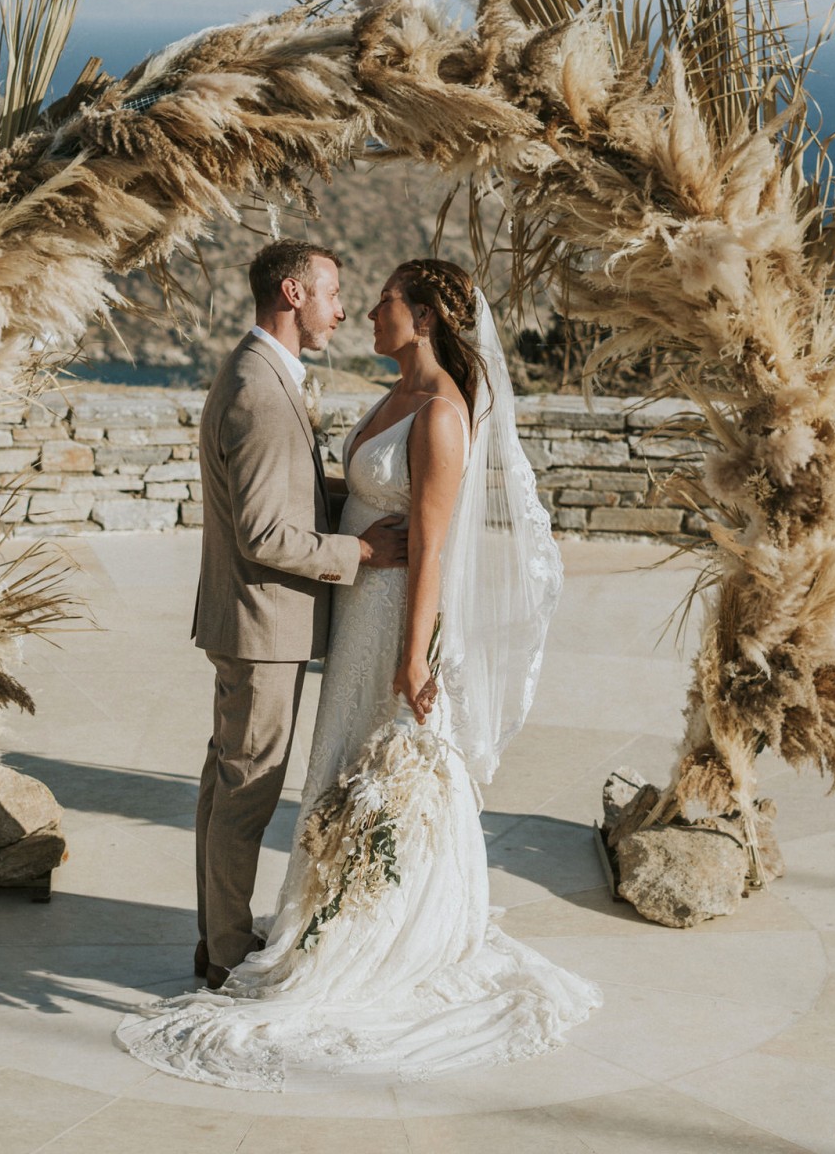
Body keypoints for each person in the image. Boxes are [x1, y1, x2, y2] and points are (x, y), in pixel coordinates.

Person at [119, 258, 600, 1090]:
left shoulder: (441, 412)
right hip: (350, 614)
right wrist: (359, 544)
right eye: (349, 297)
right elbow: (341, 501)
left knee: (379, 775)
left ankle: (376, 936)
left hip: (388, 621)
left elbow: (433, 551)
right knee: (319, 771)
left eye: (380, 302)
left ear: (423, 317)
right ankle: (272, 933)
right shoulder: (386, 397)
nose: (361, 313)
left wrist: (414, 657)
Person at [186, 239, 409, 993]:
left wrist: (358, 500)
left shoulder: (260, 371)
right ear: (293, 293)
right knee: (245, 793)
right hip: (262, 624)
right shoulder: (258, 388)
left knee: (227, 783)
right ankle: (225, 952)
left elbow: (284, 496)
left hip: (252, 619)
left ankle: (215, 936)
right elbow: (262, 533)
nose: (342, 310)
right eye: (333, 293)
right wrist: (361, 552)